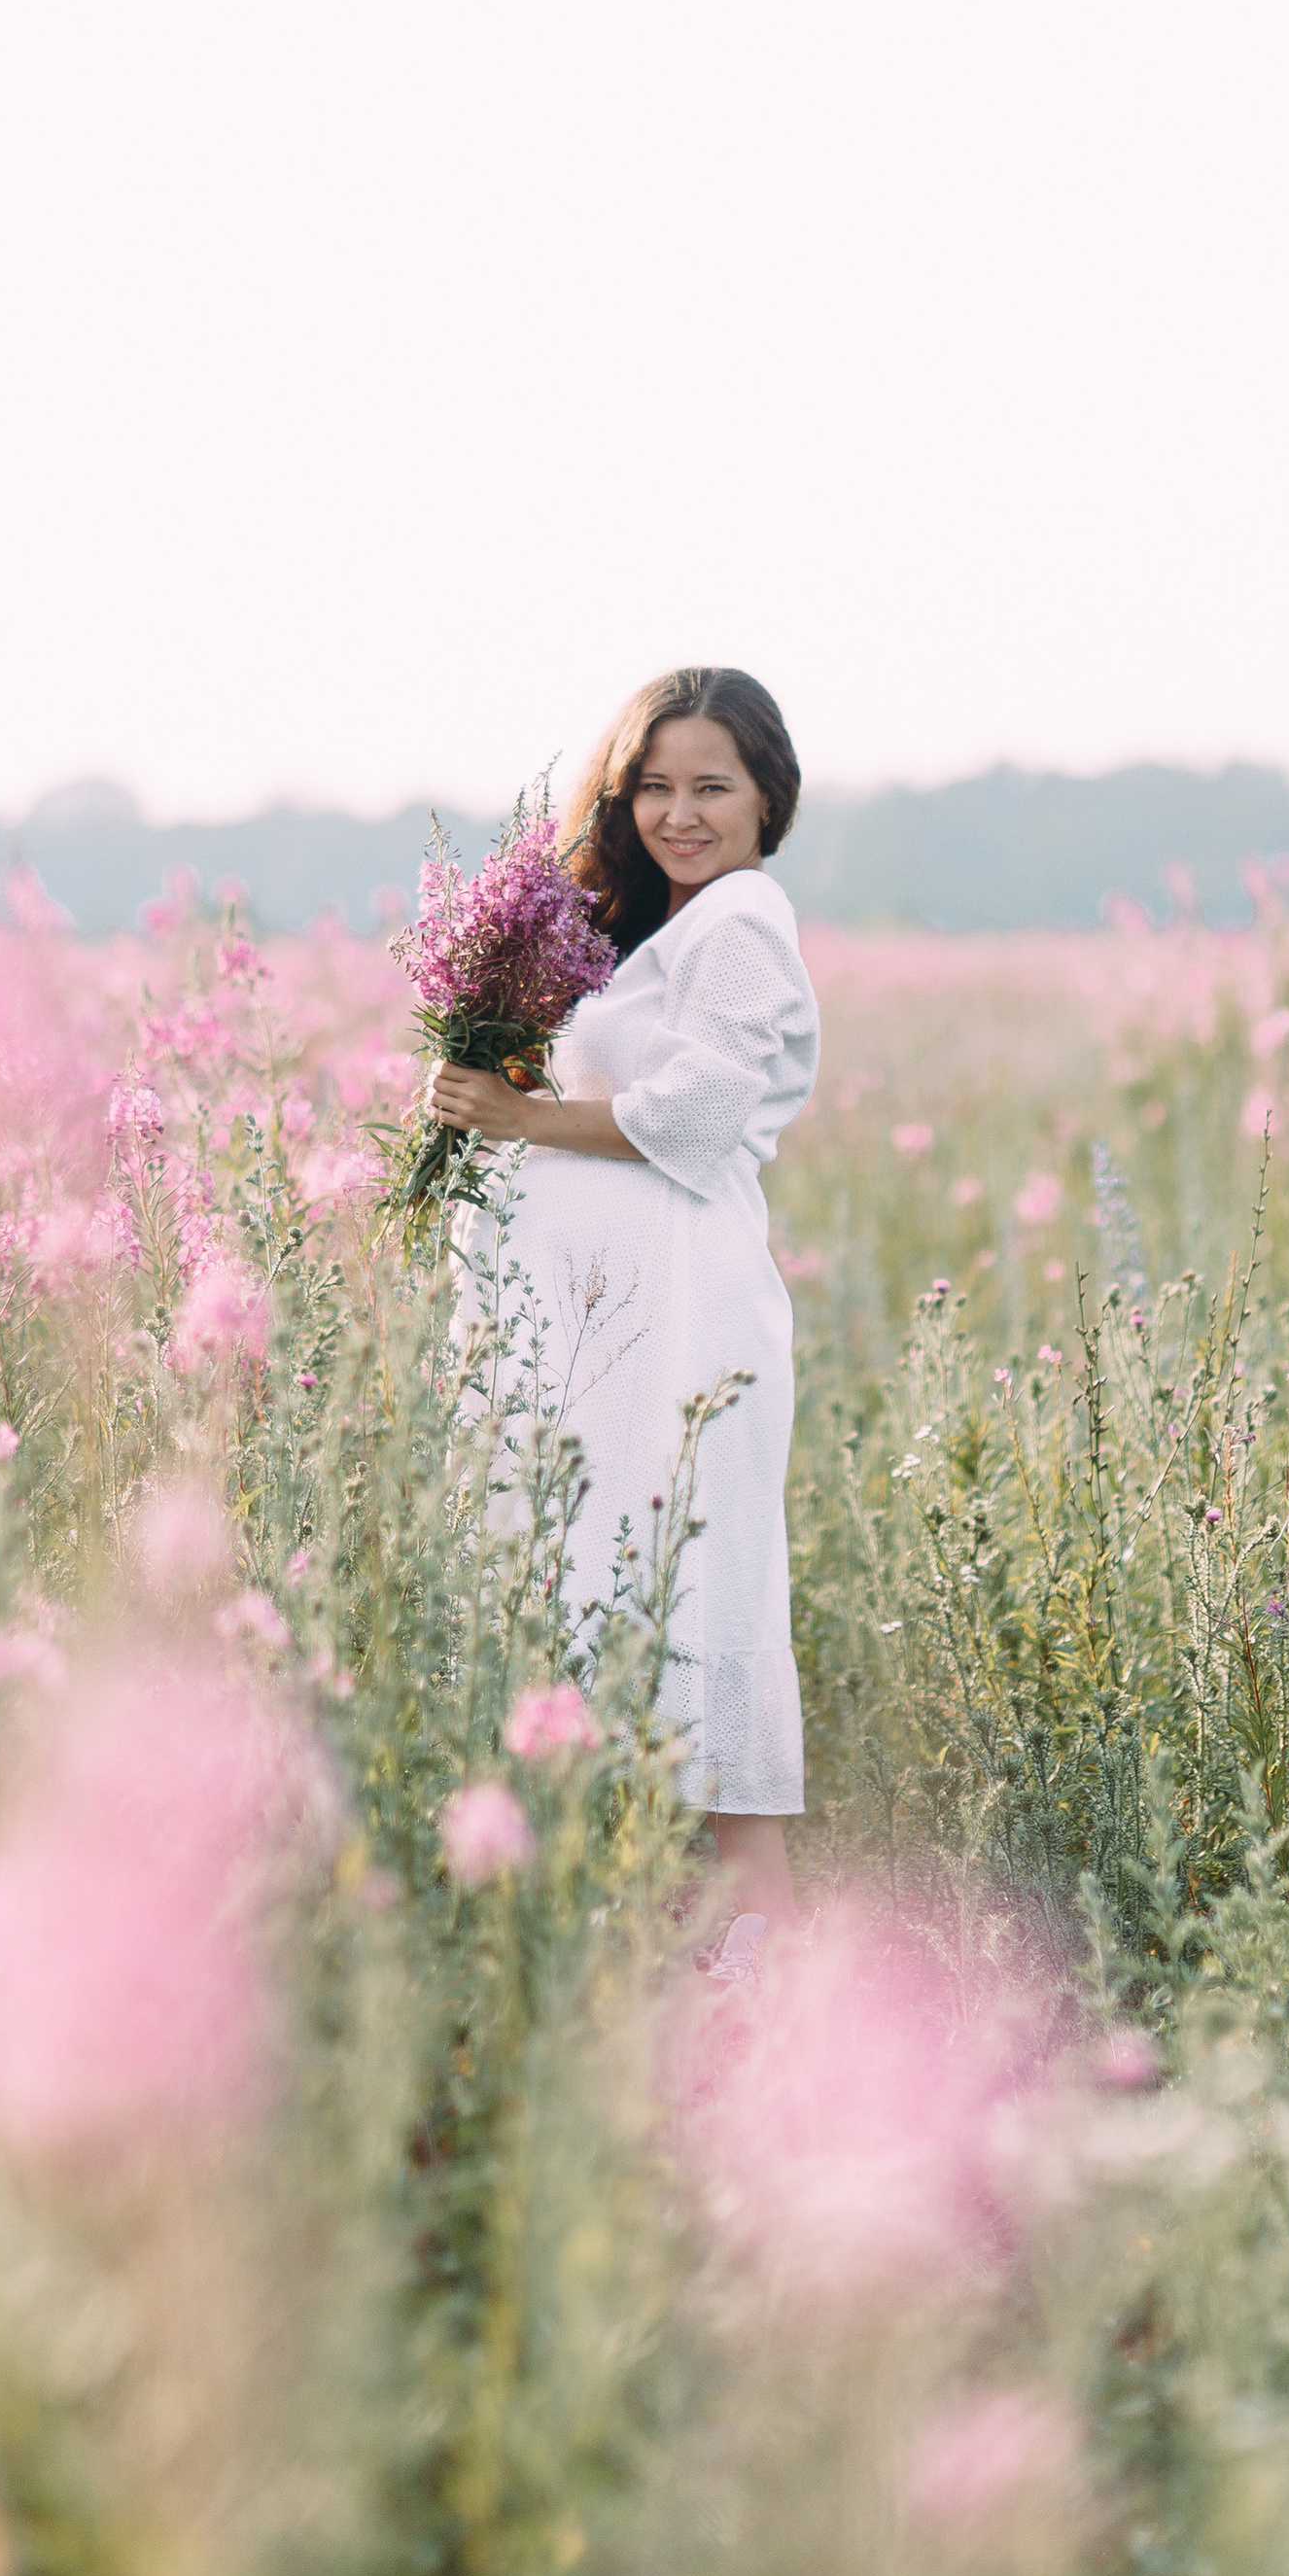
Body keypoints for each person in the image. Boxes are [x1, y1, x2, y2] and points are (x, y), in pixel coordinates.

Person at [432, 667, 820, 1958]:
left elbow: (694, 1120)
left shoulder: (746, 922)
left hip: (686, 1326)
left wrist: (517, 1117)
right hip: (618, 1338)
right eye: (653, 786)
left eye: (712, 786)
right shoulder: (668, 927)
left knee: (697, 1604)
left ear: (769, 797)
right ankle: (662, 1985)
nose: (679, 814)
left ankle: (765, 2006)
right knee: (623, 1614)